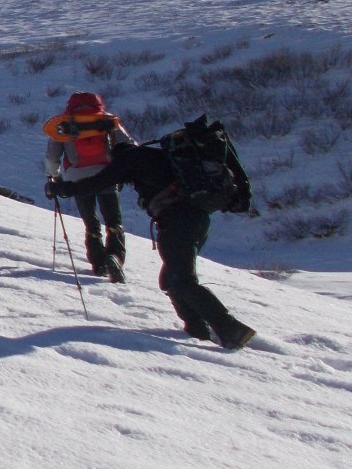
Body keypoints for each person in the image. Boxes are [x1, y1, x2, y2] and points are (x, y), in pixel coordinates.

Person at [51, 136, 257, 351]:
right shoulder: (158, 156)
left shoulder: (128, 160)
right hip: (198, 220)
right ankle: (198, 330)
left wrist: (61, 189)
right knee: (170, 279)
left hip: (177, 223)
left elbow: (96, 183)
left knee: (182, 280)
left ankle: (231, 329)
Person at [42, 92, 133, 282]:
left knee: (91, 223)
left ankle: (99, 264)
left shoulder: (63, 126)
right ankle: (114, 257)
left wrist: (53, 177)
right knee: (113, 223)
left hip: (77, 181)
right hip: (106, 176)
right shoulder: (107, 122)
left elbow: (52, 157)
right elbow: (130, 147)